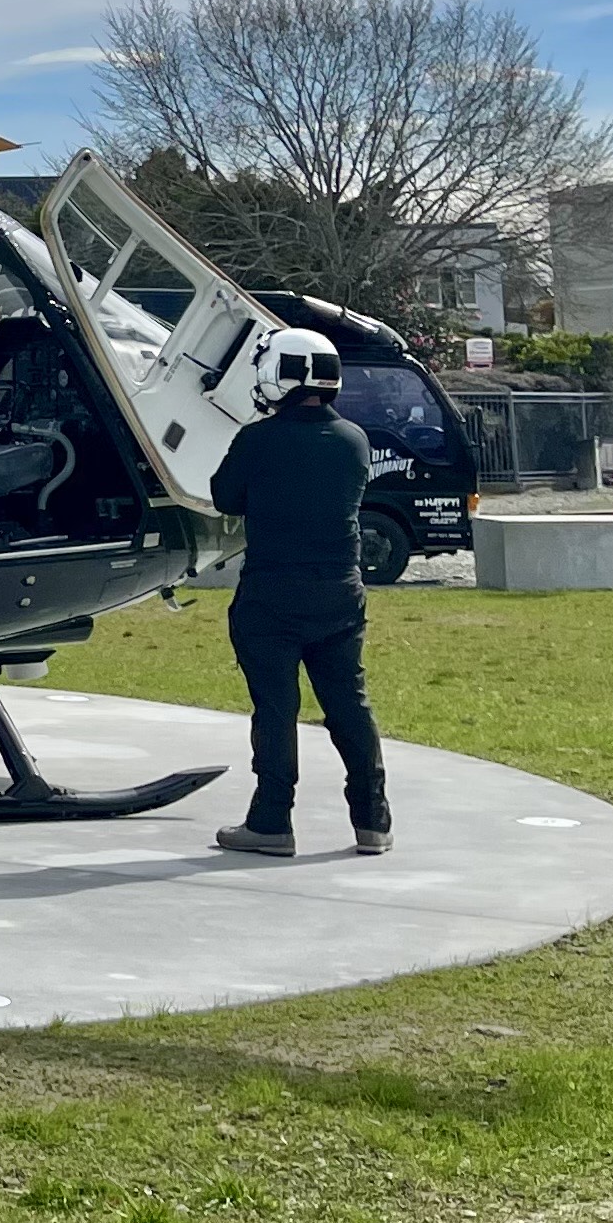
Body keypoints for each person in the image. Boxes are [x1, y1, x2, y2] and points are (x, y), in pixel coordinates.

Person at [209, 327, 389, 858]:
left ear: (280, 373)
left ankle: (271, 821)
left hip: (271, 592)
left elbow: (225, 498)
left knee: (275, 709)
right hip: (340, 590)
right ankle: (372, 818)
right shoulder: (354, 439)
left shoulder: (258, 439)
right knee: (349, 706)